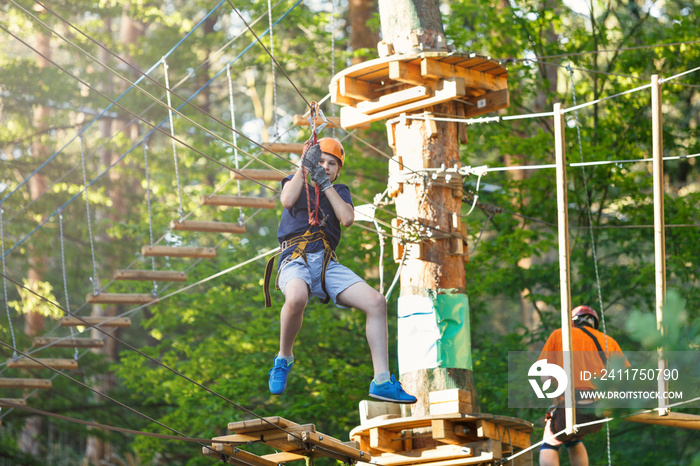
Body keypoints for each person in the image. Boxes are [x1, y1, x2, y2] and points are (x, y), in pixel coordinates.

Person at [265, 137, 416, 404]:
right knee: (297, 297)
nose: (325, 166)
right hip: (295, 257)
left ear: (338, 170)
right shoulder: (295, 181)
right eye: (320, 161)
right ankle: (283, 358)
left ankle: (382, 381)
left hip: (325, 263)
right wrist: (304, 167)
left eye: (331, 164)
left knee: (376, 302)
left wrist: (325, 184)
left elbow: (346, 218)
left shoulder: (340, 190)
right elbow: (287, 201)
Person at [537, 305, 628, 466]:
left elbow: (544, 377)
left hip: (570, 407)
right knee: (572, 439)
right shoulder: (609, 342)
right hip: (597, 412)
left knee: (550, 440)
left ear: (573, 322)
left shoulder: (560, 335)